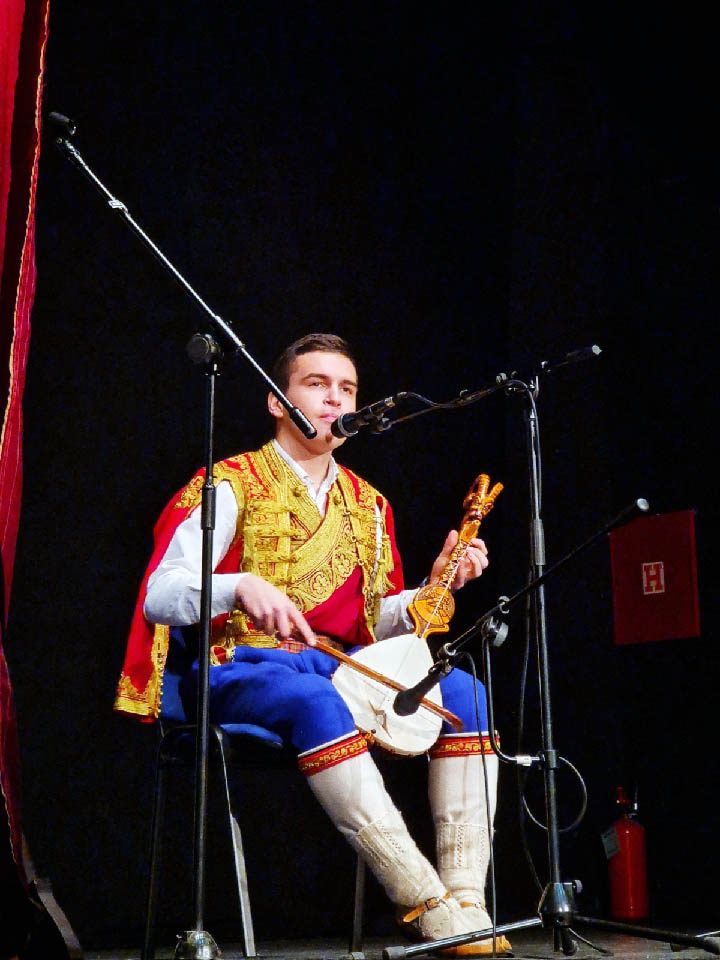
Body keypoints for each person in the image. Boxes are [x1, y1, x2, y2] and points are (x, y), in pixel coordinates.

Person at [115, 333, 510, 955]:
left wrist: (435, 585)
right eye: (316, 385)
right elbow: (160, 596)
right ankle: (422, 900)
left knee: (464, 693)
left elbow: (376, 626)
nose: (335, 400)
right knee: (312, 700)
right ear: (278, 402)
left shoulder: (369, 505)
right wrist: (239, 586)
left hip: (333, 666)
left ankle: (467, 901)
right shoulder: (230, 484)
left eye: (347, 389)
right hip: (236, 665)